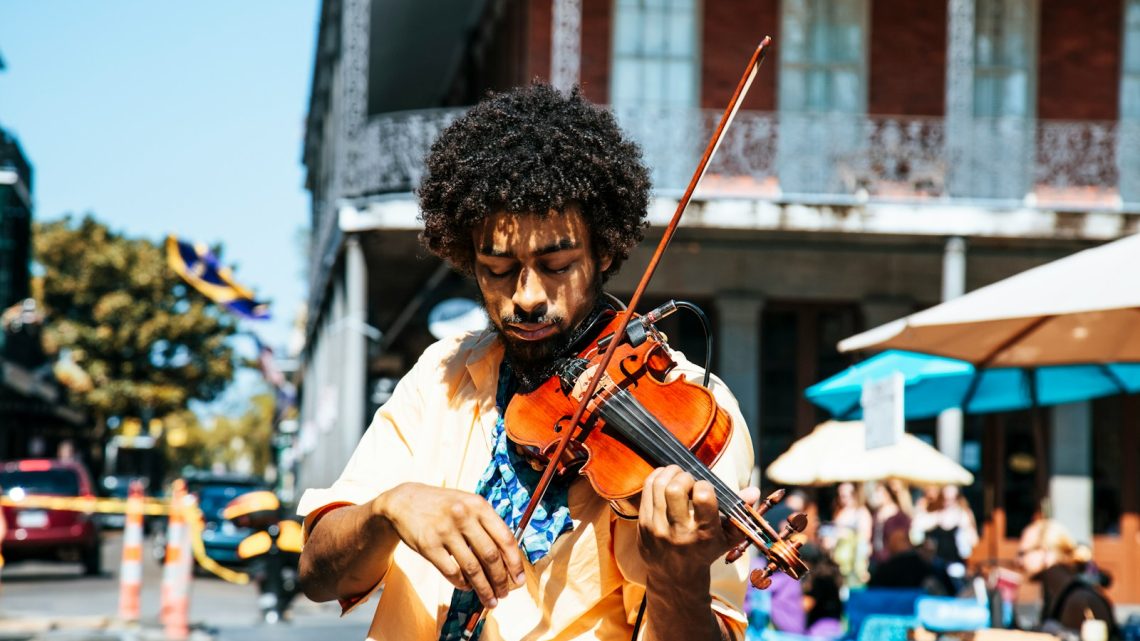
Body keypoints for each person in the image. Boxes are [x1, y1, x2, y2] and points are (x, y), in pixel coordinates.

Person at [297, 84, 761, 641]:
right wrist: (387, 510)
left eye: (558, 263)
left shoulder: (694, 410)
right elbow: (318, 573)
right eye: (497, 269)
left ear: (605, 251)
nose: (527, 297)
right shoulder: (439, 374)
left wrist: (678, 580)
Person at [1018, 519, 1119, 639]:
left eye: (1022, 553)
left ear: (1045, 552)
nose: (1018, 561)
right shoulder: (1057, 592)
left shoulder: (1077, 599)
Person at [910, 485, 977, 585]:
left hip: (955, 566)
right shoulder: (933, 513)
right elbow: (915, 533)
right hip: (934, 566)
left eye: (952, 499)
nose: (948, 502)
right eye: (945, 498)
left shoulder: (963, 515)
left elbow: (973, 542)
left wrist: (966, 526)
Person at [827, 482, 872, 589]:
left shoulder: (861, 512)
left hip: (853, 564)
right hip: (839, 562)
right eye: (840, 495)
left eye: (845, 496)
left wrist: (862, 568)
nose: (842, 499)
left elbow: (864, 540)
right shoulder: (840, 511)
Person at [869, 481, 911, 570]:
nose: (876, 496)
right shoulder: (876, 514)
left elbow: (901, 541)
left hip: (893, 561)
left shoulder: (900, 516)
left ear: (887, 494)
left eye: (878, 492)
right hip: (875, 560)